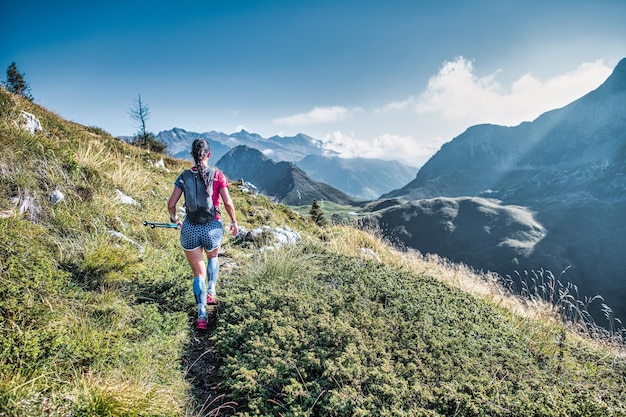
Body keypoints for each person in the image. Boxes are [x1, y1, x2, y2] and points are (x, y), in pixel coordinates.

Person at [167, 138, 238, 330]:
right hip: (212, 227)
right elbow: (228, 203)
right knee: (213, 257)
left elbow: (171, 204)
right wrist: (233, 222)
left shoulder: (183, 176)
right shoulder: (218, 176)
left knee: (198, 274)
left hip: (190, 227)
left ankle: (201, 316)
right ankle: (212, 291)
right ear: (209, 154)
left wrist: (175, 220)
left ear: (192, 155)